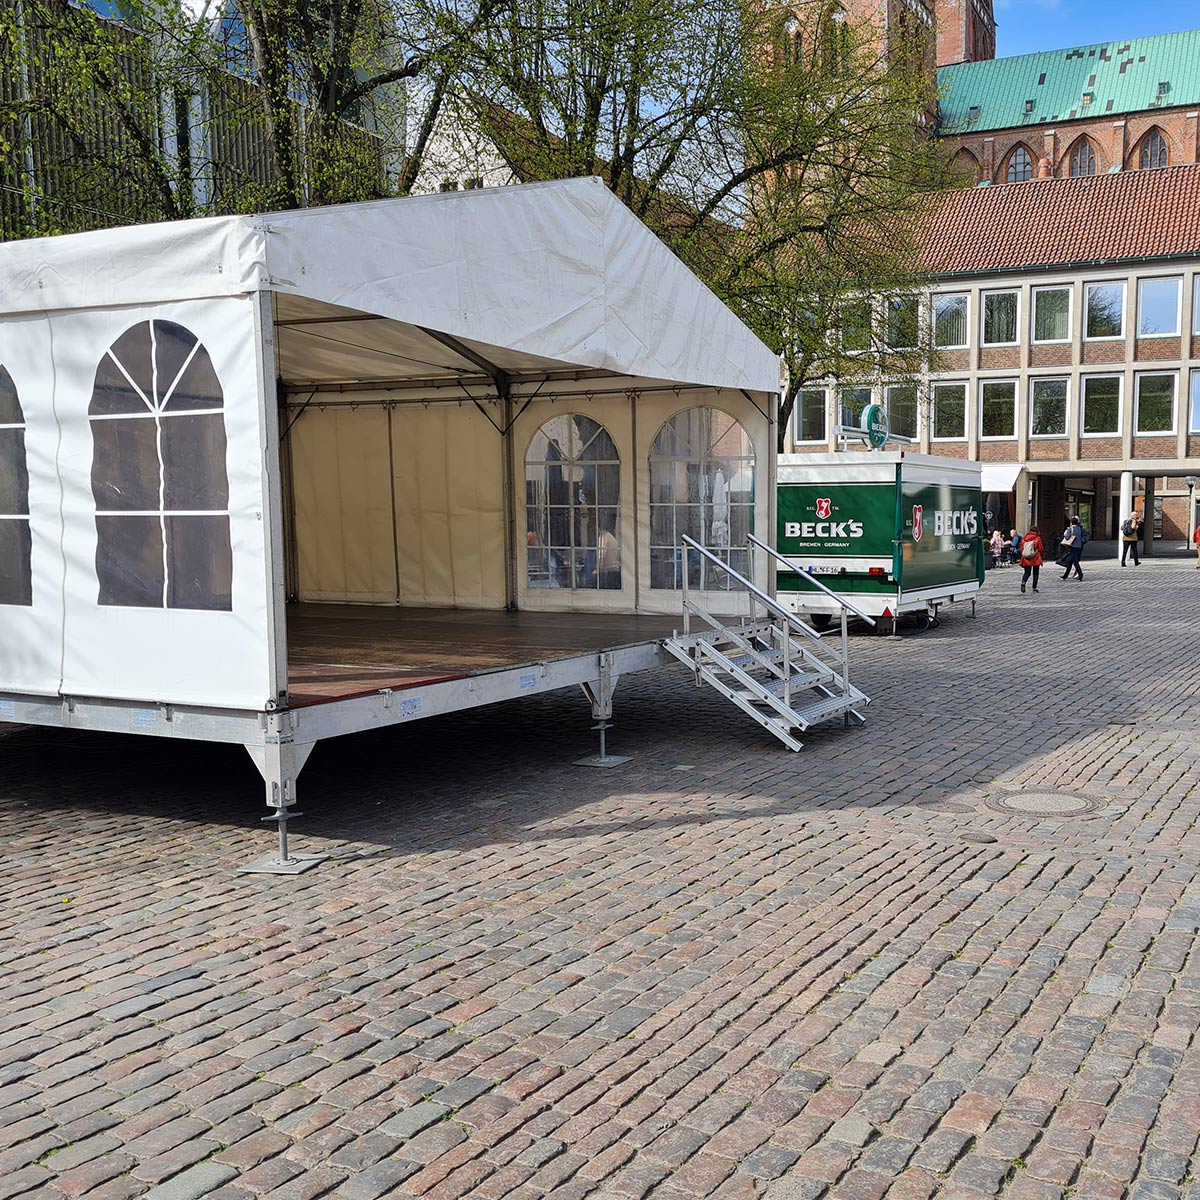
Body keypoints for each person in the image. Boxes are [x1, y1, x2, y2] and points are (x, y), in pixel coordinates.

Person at [1018, 524, 1044, 593]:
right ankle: (1034, 588)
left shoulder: (1025, 538)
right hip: (1035, 557)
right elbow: (1040, 548)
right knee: (1035, 573)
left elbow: (1021, 548)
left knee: (1027, 572)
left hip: (1026, 558)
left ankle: (1023, 582)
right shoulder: (1037, 538)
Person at [1059, 516, 1085, 581]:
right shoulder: (1080, 529)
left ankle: (1080, 575)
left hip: (1072, 546)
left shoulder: (1070, 529)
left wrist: (1066, 533)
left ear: (1071, 522)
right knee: (1070, 562)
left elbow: (1067, 537)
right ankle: (1065, 575)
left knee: (1075, 562)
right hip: (1079, 546)